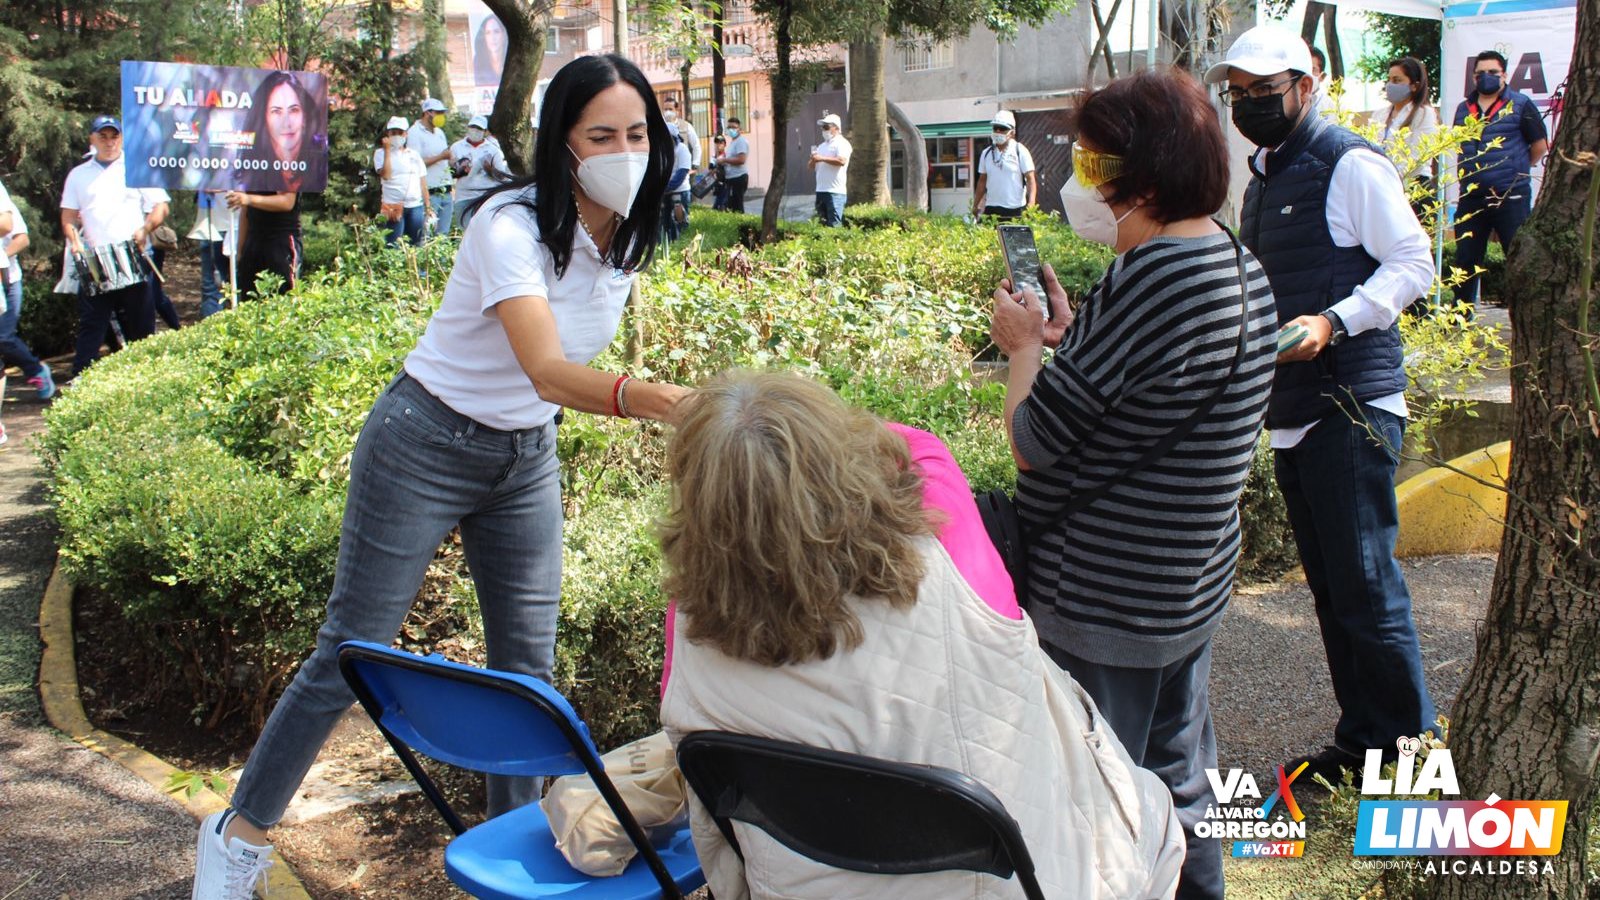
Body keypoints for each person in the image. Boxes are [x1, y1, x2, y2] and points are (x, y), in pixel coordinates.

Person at [190, 53, 684, 900]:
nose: (625, 150)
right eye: (602, 134)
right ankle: (238, 838)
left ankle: (517, 858)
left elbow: (547, 395)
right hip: (422, 440)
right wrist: (669, 402)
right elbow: (545, 367)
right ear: (562, 144)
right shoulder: (508, 227)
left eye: (638, 133)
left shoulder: (628, 239)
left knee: (527, 674)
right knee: (351, 650)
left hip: (524, 457)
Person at [658, 371, 1185, 900]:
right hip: (1018, 886)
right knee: (1153, 818)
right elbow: (920, 448)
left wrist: (738, 446)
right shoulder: (946, 552)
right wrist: (807, 429)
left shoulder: (688, 628)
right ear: (842, 465)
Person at [991, 67, 1276, 899]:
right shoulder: (1232, 262)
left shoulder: (1154, 279)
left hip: (1107, 596)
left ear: (1142, 179)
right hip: (1184, 586)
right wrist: (1073, 342)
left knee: (1093, 790)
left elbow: (1035, 442)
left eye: (1094, 166)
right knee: (1181, 775)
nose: (1081, 182)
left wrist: (1023, 349)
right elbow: (1149, 399)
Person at [1204, 25, 1438, 783]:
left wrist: (1337, 320)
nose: (1248, 107)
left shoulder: (1350, 162)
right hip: (1296, 412)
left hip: (1352, 405)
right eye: (1236, 95)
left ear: (1308, 86)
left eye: (1263, 94)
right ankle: (1363, 744)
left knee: (1369, 591)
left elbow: (1414, 262)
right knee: (1335, 592)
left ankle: (1407, 763)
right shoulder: (1267, 175)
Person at [60, 115, 171, 377]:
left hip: (132, 255)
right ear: (93, 139)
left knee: (141, 323)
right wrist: (74, 240)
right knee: (92, 323)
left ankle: (148, 378)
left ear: (121, 138)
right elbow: (68, 216)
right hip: (96, 260)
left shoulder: (136, 168)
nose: (109, 142)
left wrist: (145, 229)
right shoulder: (78, 175)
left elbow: (161, 206)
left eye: (114, 136)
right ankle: (80, 380)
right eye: (103, 136)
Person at [1451, 49, 1549, 307]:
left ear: (1504, 74)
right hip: (1471, 197)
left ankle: (1525, 317)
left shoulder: (1520, 104)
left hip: (1510, 197)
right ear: (1473, 78)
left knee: (1518, 259)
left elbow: (1539, 146)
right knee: (1465, 261)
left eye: (1492, 72)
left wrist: (1512, 171)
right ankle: (1459, 322)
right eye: (1480, 73)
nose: (1486, 77)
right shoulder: (1464, 109)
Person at [0, 180, 55, 425]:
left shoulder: (6, 205)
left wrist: (2, 256)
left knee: (3, 337)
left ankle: (36, 370)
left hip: (7, 280)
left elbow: (20, 237)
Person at [237, 71, 328, 195]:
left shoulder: (322, 158)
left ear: (305, 117)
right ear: (264, 120)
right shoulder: (255, 166)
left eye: (294, 110)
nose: (287, 123)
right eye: (276, 112)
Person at [223, 186, 302, 301]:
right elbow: (245, 212)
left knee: (282, 301)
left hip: (281, 241)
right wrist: (240, 252)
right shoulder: (252, 170)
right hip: (253, 241)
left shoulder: (286, 168)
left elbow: (287, 202)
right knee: (249, 302)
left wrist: (249, 199)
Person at [1379, 57, 1441, 189]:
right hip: (1384, 184)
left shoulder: (1424, 114)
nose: (1390, 85)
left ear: (1414, 85)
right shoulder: (1380, 114)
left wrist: (1392, 177)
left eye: (1397, 80)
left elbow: (1418, 155)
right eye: (1389, 80)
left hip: (1414, 185)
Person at [375, 116, 431, 247]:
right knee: (393, 245)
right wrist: (387, 150)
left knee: (416, 244)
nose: (396, 136)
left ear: (405, 134)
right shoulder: (380, 153)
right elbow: (386, 175)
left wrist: (428, 206)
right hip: (393, 207)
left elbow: (422, 182)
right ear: (388, 134)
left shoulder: (414, 154)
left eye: (399, 133)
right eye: (392, 133)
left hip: (415, 206)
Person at [450, 114, 511, 231]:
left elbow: (502, 177)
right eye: (473, 127)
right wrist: (460, 168)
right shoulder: (456, 147)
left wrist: (490, 170)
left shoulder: (493, 149)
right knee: (465, 232)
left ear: (485, 132)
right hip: (464, 196)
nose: (475, 131)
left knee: (486, 231)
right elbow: (451, 172)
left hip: (486, 195)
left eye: (479, 129)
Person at [973, 109, 1036, 219]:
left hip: (1015, 209)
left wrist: (1031, 203)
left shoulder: (1020, 151)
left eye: (1002, 128)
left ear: (1012, 132)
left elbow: (1030, 179)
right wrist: (975, 204)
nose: (998, 131)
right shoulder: (986, 153)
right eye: (995, 128)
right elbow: (982, 181)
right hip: (991, 208)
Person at [409, 98, 455, 234]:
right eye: (438, 112)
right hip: (430, 191)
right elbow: (415, 163)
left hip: (445, 190)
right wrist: (440, 157)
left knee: (443, 234)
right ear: (427, 113)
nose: (441, 116)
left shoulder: (440, 133)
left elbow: (444, 159)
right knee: (427, 234)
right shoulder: (414, 133)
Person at [189, 191, 230, 318]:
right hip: (209, 225)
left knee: (239, 284)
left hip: (235, 225)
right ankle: (213, 329)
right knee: (211, 286)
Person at [806, 113, 851, 227]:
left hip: (835, 192)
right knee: (822, 224)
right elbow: (810, 168)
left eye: (826, 127)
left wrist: (821, 158)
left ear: (836, 128)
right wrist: (813, 160)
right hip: (820, 190)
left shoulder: (842, 143)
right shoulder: (821, 146)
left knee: (834, 225)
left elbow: (842, 161)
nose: (823, 130)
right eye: (822, 127)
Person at [662, 122, 692, 241]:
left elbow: (681, 173)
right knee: (666, 223)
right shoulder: (663, 151)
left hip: (679, 191)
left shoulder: (682, 150)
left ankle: (682, 246)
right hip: (666, 192)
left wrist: (665, 188)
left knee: (680, 223)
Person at [715, 117, 749, 213]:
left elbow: (741, 160)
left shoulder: (741, 141)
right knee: (731, 206)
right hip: (731, 178)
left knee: (737, 207)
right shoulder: (733, 142)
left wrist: (724, 160)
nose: (731, 129)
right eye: (729, 127)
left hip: (738, 177)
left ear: (739, 129)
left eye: (734, 127)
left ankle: (740, 225)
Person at [661, 96, 700, 171]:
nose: (667, 112)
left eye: (670, 109)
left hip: (681, 167)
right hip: (664, 168)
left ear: (676, 110)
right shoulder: (659, 127)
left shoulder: (686, 126)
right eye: (665, 109)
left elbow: (696, 145)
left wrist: (695, 164)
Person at [710, 134, 730, 211]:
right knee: (718, 205)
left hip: (727, 183)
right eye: (716, 143)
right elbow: (711, 169)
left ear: (724, 144)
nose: (718, 145)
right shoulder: (713, 156)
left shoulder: (727, 155)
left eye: (720, 143)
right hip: (718, 184)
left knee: (723, 204)